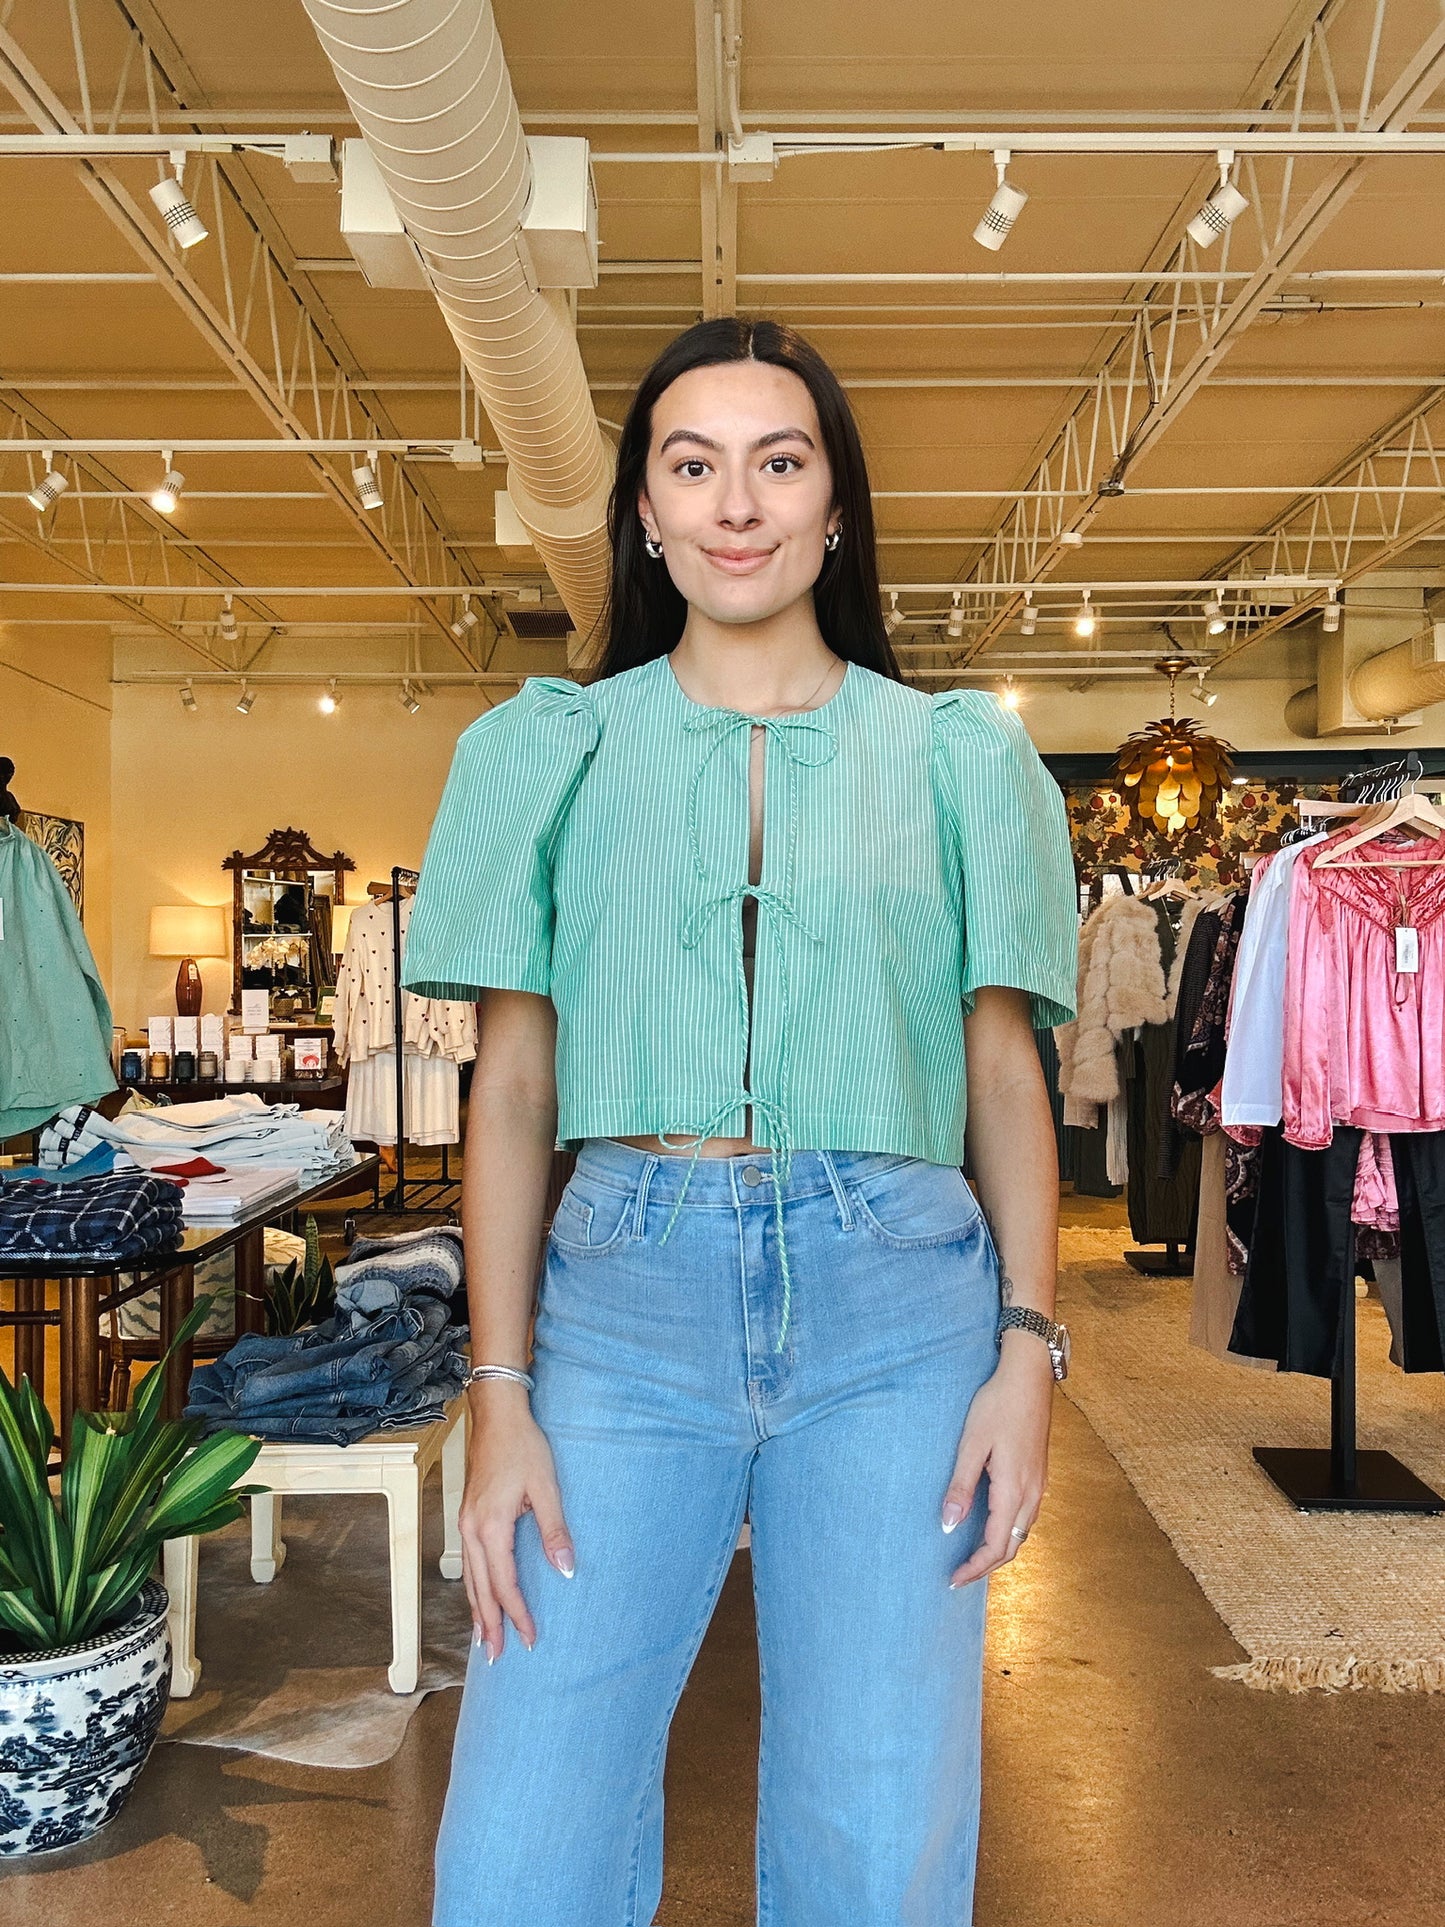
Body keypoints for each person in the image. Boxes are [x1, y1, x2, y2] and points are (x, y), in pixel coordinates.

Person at [403, 317, 1079, 1926]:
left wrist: (1028, 1348)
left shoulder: (957, 760)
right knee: (519, 1846)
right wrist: (497, 1393)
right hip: (620, 1307)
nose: (736, 503)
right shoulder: (550, 752)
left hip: (899, 1304)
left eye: (779, 463)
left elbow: (1001, 1078)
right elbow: (512, 1091)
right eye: (691, 465)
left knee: (877, 1830)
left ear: (834, 509)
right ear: (643, 509)